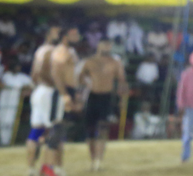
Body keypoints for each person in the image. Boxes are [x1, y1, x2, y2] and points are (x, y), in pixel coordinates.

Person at [80, 38, 128, 171]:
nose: (106, 48)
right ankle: (93, 159)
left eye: (108, 45)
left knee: (102, 130)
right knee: (90, 131)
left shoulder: (115, 62)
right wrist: (86, 84)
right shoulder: (90, 61)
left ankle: (98, 161)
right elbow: (80, 77)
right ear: (99, 45)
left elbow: (122, 80)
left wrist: (122, 99)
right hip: (92, 96)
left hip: (106, 97)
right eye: (104, 45)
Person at [44, 25, 82, 176]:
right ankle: (48, 167)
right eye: (74, 34)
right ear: (66, 36)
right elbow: (56, 74)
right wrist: (64, 95)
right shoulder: (60, 51)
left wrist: (75, 93)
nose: (78, 37)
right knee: (57, 129)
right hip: (63, 91)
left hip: (69, 90)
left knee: (62, 131)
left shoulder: (70, 51)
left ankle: (57, 167)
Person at [27, 26, 62, 176]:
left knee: (36, 131)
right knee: (54, 130)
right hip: (50, 92)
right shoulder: (55, 51)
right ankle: (50, 168)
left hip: (38, 90)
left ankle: (31, 169)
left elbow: (33, 74)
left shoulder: (39, 50)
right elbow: (56, 74)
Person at [0, 59, 32, 146]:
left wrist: (27, 91)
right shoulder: (5, 76)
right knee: (1, 121)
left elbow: (32, 85)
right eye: (16, 66)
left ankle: (8, 142)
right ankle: (2, 141)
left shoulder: (22, 77)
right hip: (3, 101)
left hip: (14, 102)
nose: (18, 68)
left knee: (10, 121)